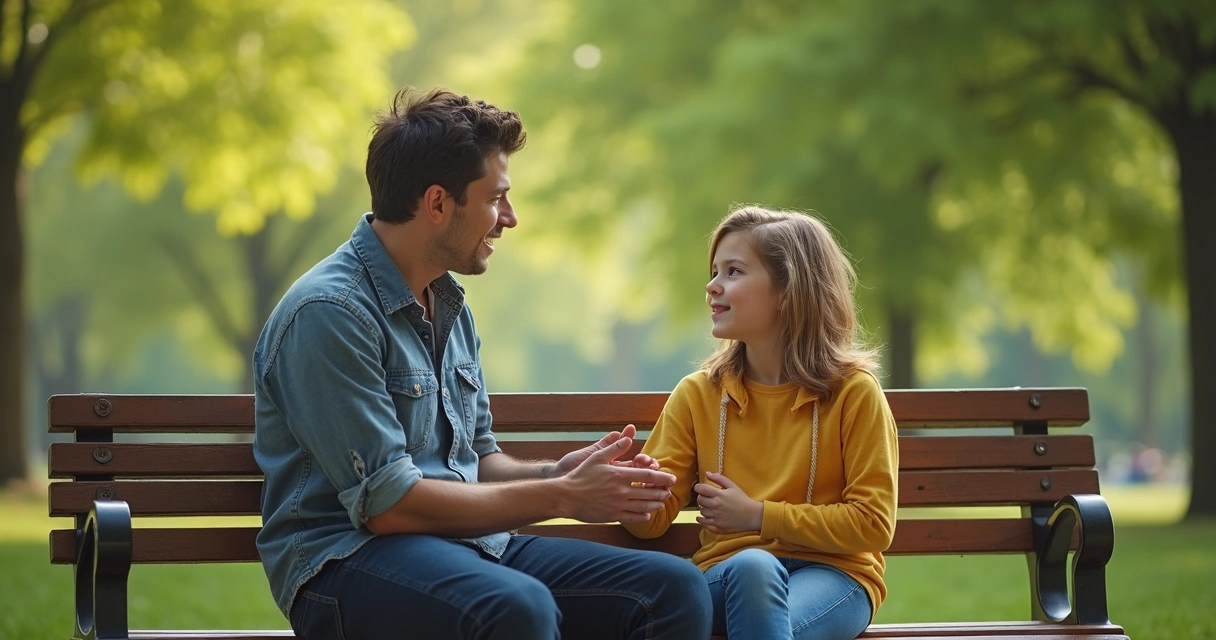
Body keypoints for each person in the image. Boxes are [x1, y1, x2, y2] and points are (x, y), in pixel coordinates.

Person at [252, 87, 712, 640]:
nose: (510, 219)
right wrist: (562, 497)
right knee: (515, 607)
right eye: (497, 198)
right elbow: (388, 506)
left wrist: (558, 473)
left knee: (672, 589)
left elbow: (476, 461)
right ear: (438, 203)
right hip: (345, 567)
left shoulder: (446, 304)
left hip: (463, 550)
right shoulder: (329, 313)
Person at [623, 206, 899, 640]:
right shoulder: (698, 395)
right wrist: (636, 491)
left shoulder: (854, 393)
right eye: (714, 271)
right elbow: (650, 523)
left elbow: (873, 525)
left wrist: (758, 516)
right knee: (754, 566)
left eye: (733, 271)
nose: (712, 287)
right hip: (727, 577)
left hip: (835, 577)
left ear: (790, 290)